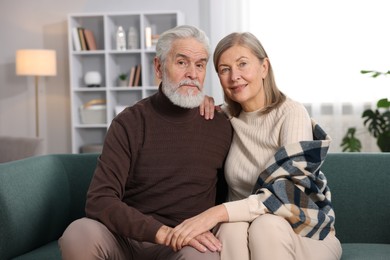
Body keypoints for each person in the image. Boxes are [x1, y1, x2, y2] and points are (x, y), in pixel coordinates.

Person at [59, 25, 233, 260]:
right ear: (159, 68)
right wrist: (161, 232)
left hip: (186, 242)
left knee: (202, 256)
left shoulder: (220, 124)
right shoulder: (129, 123)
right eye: (182, 63)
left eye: (200, 65)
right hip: (127, 239)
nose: (192, 73)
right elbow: (99, 200)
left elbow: (228, 195)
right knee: (78, 233)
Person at [165, 32, 343, 260]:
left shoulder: (292, 113)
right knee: (230, 227)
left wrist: (217, 213)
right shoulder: (224, 118)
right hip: (244, 229)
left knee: (265, 225)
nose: (234, 76)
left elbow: (288, 193)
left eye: (242, 64)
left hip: (304, 232)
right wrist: (200, 102)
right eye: (224, 69)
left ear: (264, 67)